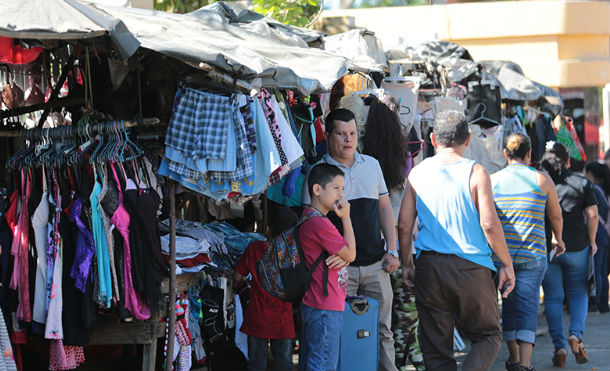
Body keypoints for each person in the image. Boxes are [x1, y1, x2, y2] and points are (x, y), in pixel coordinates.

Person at [397, 110, 516, 371]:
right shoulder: (476, 172)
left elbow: (404, 224)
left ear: (432, 139)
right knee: (487, 335)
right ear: (468, 139)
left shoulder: (417, 173)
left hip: (429, 267)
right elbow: (489, 224)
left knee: (436, 348)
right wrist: (506, 263)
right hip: (472, 268)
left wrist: (406, 263)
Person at [302, 108, 399, 371]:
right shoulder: (319, 174)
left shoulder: (372, 165)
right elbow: (308, 220)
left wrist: (393, 250)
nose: (348, 140)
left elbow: (385, 209)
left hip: (376, 265)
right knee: (336, 335)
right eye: (342, 134)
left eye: (353, 134)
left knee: (382, 331)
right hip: (335, 272)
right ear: (329, 135)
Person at [490, 134, 565, 371]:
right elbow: (555, 215)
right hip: (533, 256)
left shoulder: (492, 181)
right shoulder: (541, 180)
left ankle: (513, 359)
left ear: (505, 154)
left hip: (501, 259)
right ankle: (524, 363)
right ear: (530, 154)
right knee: (528, 307)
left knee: (509, 305)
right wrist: (558, 238)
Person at [539, 142, 598, 367]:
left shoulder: (540, 183)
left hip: (549, 249)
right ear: (568, 161)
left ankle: (560, 347)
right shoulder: (581, 183)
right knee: (578, 294)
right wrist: (592, 242)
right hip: (577, 248)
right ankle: (576, 336)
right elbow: (592, 215)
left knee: (553, 298)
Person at [298, 163, 356, 371]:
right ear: (317, 190)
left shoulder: (310, 219)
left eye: (342, 189)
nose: (341, 195)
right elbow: (350, 252)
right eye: (335, 188)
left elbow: (346, 254)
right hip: (325, 305)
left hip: (317, 302)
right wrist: (346, 218)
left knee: (314, 362)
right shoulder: (320, 223)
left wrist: (345, 257)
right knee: (322, 364)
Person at [233, 206, 299, 371]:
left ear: (268, 229)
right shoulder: (294, 255)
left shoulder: (255, 249)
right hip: (283, 320)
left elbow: (237, 277)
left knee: (256, 362)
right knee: (284, 361)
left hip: (257, 317)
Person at [584, 161, 610, 313]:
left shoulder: (593, 190)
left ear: (591, 174)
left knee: (597, 269)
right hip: (606, 233)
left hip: (598, 232)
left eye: (586, 173)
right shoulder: (605, 190)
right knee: (603, 269)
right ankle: (603, 303)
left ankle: (596, 302)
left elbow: (591, 214)